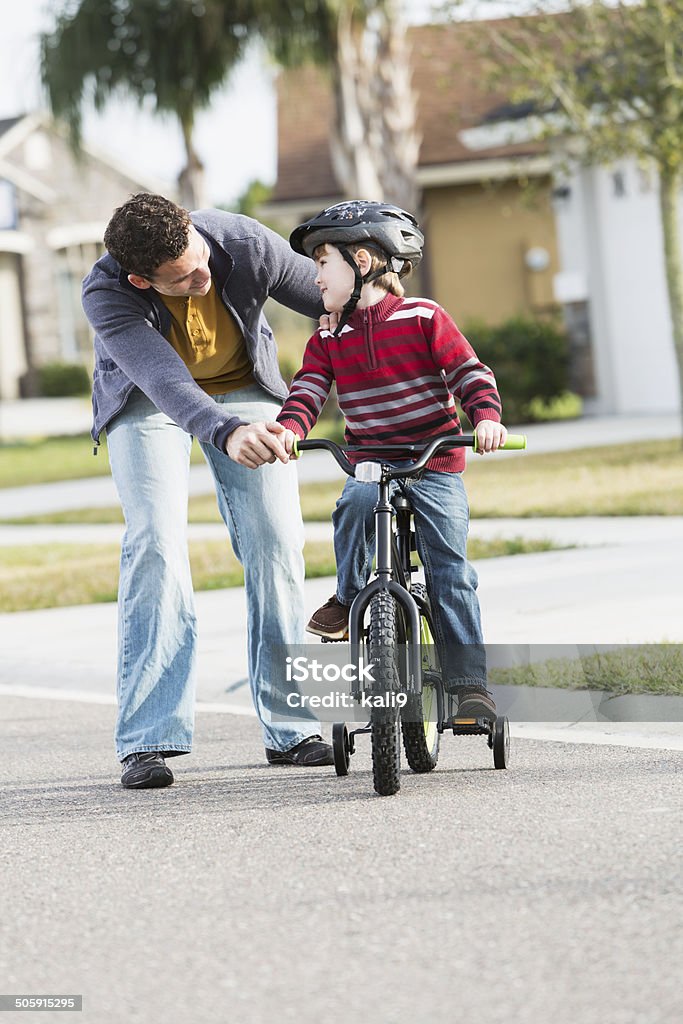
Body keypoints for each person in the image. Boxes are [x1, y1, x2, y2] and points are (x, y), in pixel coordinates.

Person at [82, 193, 334, 789]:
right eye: (183, 279)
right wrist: (225, 430)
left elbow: (330, 295)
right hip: (147, 400)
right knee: (156, 541)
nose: (203, 277)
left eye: (200, 259)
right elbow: (164, 379)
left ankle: (293, 726)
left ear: (195, 229)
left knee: (278, 541)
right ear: (143, 281)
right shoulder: (106, 292)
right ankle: (148, 739)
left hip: (245, 384)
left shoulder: (240, 242)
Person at [273, 200, 507, 721]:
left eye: (322, 263)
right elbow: (309, 389)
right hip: (371, 462)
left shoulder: (424, 316)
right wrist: (289, 430)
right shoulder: (329, 335)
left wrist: (485, 417)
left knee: (451, 571)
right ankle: (350, 597)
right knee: (353, 503)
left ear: (361, 263)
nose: (314, 277)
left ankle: (469, 687)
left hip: (434, 461)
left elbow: (469, 373)